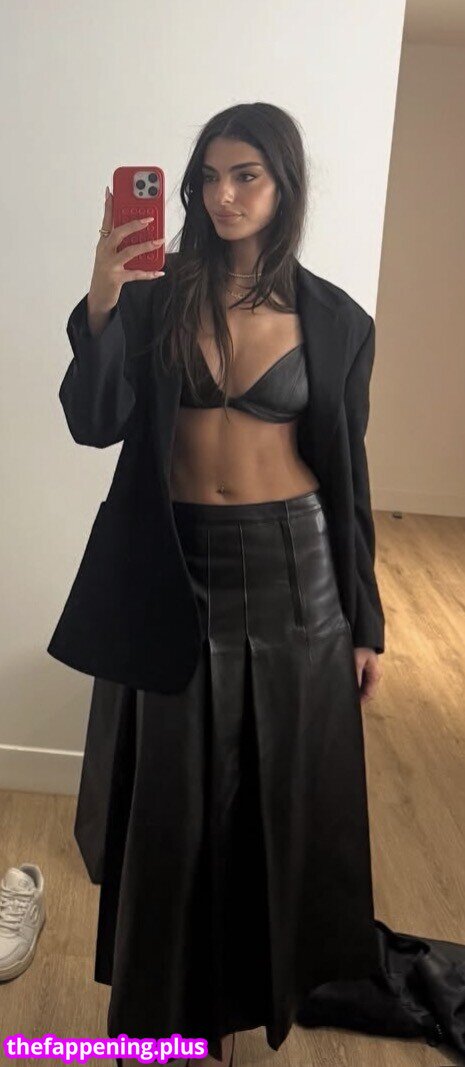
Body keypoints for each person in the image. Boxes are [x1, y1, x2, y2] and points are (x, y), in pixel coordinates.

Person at [49, 102, 385, 1067]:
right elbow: (93, 421)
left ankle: (239, 1008)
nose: (223, 195)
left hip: (294, 574)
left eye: (246, 175)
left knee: (270, 800)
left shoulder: (335, 321)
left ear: (283, 186)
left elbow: (348, 479)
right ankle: (171, 1019)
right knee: (171, 806)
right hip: (174, 563)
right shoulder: (155, 297)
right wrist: (102, 300)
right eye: (208, 176)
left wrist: (364, 620)